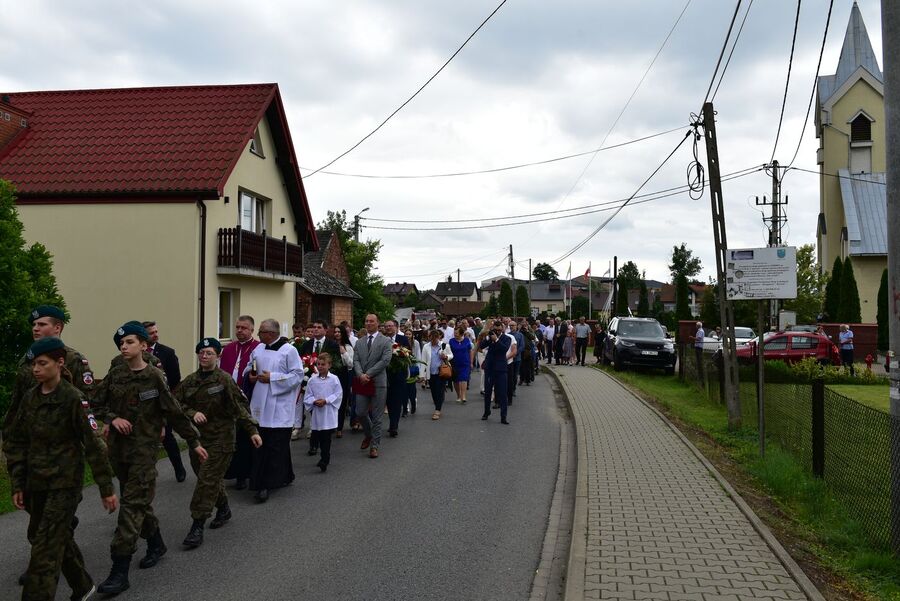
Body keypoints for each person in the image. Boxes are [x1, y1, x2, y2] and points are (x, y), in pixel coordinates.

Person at [93, 322, 208, 595]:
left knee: (130, 508)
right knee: (139, 505)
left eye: (130, 342)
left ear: (144, 346)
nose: (124, 347)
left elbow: (174, 412)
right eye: (121, 343)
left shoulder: (155, 376)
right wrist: (113, 418)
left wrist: (193, 442)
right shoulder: (116, 374)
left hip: (144, 454)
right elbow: (95, 403)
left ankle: (119, 571)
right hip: (119, 453)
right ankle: (156, 542)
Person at [4, 336, 119, 601]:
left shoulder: (73, 399)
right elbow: (17, 442)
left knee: (44, 549)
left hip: (65, 484)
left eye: (42, 364)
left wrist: (105, 488)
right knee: (46, 536)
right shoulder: (30, 398)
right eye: (33, 364)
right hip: (36, 482)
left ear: (59, 363)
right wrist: (18, 483)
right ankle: (82, 585)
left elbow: (93, 445)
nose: (35, 369)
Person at [176, 337, 262, 549]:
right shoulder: (190, 381)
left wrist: (252, 430)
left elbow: (239, 407)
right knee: (206, 477)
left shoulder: (223, 380)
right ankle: (223, 508)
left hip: (222, 439)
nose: (204, 357)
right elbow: (175, 403)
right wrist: (192, 412)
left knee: (206, 480)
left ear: (217, 356)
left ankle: (197, 525)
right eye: (201, 353)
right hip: (200, 440)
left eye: (209, 353)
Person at [4, 305, 96, 439]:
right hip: (29, 438)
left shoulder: (74, 359)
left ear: (57, 328)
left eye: (41, 324)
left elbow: (86, 402)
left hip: (62, 440)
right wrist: (8, 433)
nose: (35, 328)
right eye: (34, 324)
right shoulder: (27, 359)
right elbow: (16, 402)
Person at [244, 319, 303, 503]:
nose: (258, 335)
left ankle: (265, 484)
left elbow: (297, 375)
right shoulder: (258, 349)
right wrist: (251, 376)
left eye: (260, 332)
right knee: (261, 444)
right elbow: (249, 367)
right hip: (260, 402)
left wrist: (273, 378)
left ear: (270, 333)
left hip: (279, 404)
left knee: (275, 446)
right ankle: (286, 475)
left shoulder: (289, 350)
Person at [142, 321, 187, 484]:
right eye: (151, 332)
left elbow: (175, 378)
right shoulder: (137, 352)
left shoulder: (167, 353)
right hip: (142, 404)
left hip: (162, 401)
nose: (155, 335)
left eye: (156, 331)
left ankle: (179, 468)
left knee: (167, 436)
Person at [220, 315, 260, 491]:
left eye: (243, 328)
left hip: (247, 400)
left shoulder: (258, 348)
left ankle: (244, 475)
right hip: (229, 400)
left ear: (251, 329)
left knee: (245, 439)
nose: (239, 331)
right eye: (237, 327)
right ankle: (231, 472)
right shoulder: (228, 348)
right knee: (231, 438)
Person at [295, 320, 340, 453]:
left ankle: (322, 441)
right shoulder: (306, 344)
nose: (315, 330)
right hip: (311, 382)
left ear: (325, 330)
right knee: (314, 414)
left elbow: (336, 363)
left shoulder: (332, 344)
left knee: (322, 416)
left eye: (319, 327)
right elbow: (301, 361)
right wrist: (308, 371)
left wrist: (324, 372)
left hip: (326, 384)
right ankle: (313, 444)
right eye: (314, 327)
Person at [352, 314, 393, 458]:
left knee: (377, 416)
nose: (368, 323)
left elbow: (385, 360)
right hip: (362, 381)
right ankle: (368, 434)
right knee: (360, 412)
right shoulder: (360, 342)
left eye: (371, 321)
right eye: (366, 321)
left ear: (377, 323)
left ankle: (375, 445)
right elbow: (355, 360)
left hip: (378, 382)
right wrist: (360, 374)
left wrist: (368, 374)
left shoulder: (385, 341)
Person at [303, 352, 343, 472]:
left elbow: (338, 394)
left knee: (326, 437)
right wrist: (314, 401)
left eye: (323, 364)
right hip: (317, 412)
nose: (320, 366)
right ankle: (316, 449)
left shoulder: (334, 379)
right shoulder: (312, 380)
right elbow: (308, 395)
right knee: (317, 435)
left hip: (328, 412)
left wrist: (326, 401)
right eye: (318, 364)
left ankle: (324, 459)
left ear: (329, 365)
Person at [480, 320, 514, 424]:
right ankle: (486, 412)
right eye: (496, 329)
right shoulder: (489, 337)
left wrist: (497, 340)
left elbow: (504, 349)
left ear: (503, 329)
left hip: (501, 369)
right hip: (490, 368)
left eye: (499, 329)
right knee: (488, 392)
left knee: (503, 393)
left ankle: (503, 416)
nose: (498, 331)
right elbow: (481, 346)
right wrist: (488, 337)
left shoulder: (507, 338)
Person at [383, 319, 410, 437]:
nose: (388, 328)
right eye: (386, 326)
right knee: (388, 400)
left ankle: (394, 425)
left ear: (396, 327)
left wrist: (400, 353)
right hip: (385, 374)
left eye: (390, 326)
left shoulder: (402, 339)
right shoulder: (382, 339)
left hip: (399, 374)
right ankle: (391, 421)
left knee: (397, 400)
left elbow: (409, 354)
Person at [421, 330, 452, 419]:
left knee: (440, 390)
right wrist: (422, 375)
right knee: (434, 392)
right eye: (431, 339)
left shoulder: (444, 346)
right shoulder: (426, 347)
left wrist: (446, 357)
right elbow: (423, 360)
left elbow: (451, 355)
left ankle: (437, 410)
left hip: (441, 372)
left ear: (438, 337)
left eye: (435, 339)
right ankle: (438, 404)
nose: (433, 341)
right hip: (431, 373)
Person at [332, 324, 355, 437]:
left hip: (343, 375)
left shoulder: (347, 347)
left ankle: (339, 427)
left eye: (339, 332)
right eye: (335, 332)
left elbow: (351, 363)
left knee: (341, 401)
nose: (337, 334)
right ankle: (331, 425)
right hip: (331, 375)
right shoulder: (330, 345)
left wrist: (344, 353)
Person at [449, 326, 472, 404]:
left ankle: (463, 396)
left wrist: (471, 362)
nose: (455, 334)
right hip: (454, 363)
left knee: (464, 379)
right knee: (456, 380)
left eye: (456, 333)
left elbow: (470, 351)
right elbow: (449, 352)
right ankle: (458, 396)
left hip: (465, 363)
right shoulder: (451, 341)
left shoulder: (467, 340)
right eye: (454, 333)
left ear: (461, 333)